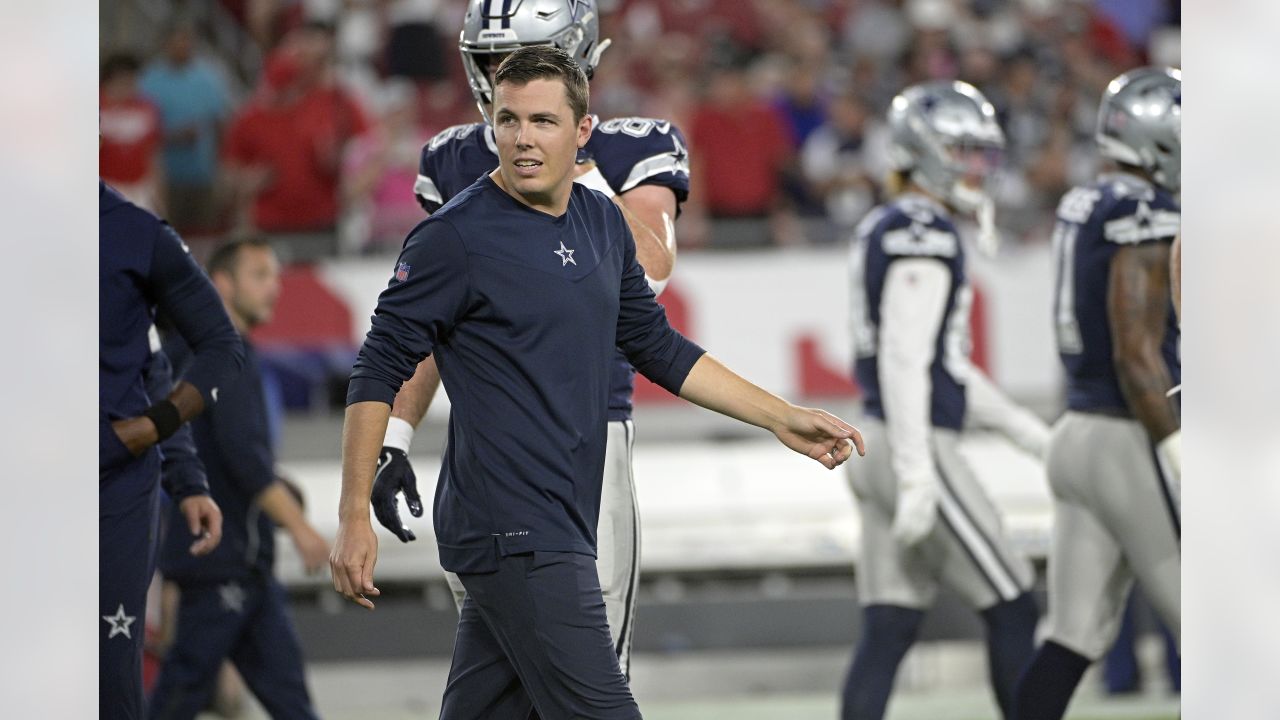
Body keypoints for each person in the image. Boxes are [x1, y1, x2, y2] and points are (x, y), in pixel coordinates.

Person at [330, 45, 865, 720]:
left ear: (583, 133)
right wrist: (352, 513)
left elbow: (658, 348)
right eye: (508, 120)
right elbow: (378, 366)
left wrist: (781, 416)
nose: (523, 139)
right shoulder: (454, 237)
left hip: (560, 520)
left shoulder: (602, 220)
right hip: (513, 529)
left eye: (544, 121)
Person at [370, 0, 688, 677]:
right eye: (488, 62)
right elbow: (425, 325)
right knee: (504, 662)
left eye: (513, 61)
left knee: (593, 660)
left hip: (589, 431)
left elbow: (653, 272)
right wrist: (393, 436)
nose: (496, 78)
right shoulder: (454, 157)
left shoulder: (629, 146)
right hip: (486, 442)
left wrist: (574, 158)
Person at [842, 80, 1049, 720]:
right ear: (926, 151)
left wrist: (1028, 434)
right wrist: (918, 474)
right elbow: (907, 360)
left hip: (879, 436)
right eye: (964, 150)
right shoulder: (921, 228)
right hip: (915, 445)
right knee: (1014, 603)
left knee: (891, 625)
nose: (978, 166)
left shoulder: (888, 221)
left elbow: (941, 364)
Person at [1012, 66, 1181, 720]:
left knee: (1071, 636)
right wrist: (1178, 447)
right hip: (1127, 433)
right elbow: (1136, 349)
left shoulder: (1089, 201)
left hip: (1077, 431)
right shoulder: (1145, 212)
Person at [148, 238, 329, 720]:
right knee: (179, 696)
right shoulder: (221, 355)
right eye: (260, 275)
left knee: (289, 702)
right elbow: (244, 460)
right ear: (222, 284)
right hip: (218, 563)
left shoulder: (187, 350)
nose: (274, 288)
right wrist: (302, 528)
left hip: (242, 564)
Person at [101, 180, 244, 720]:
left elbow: (193, 355)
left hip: (109, 484)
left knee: (107, 677)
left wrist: (176, 462)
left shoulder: (135, 234)